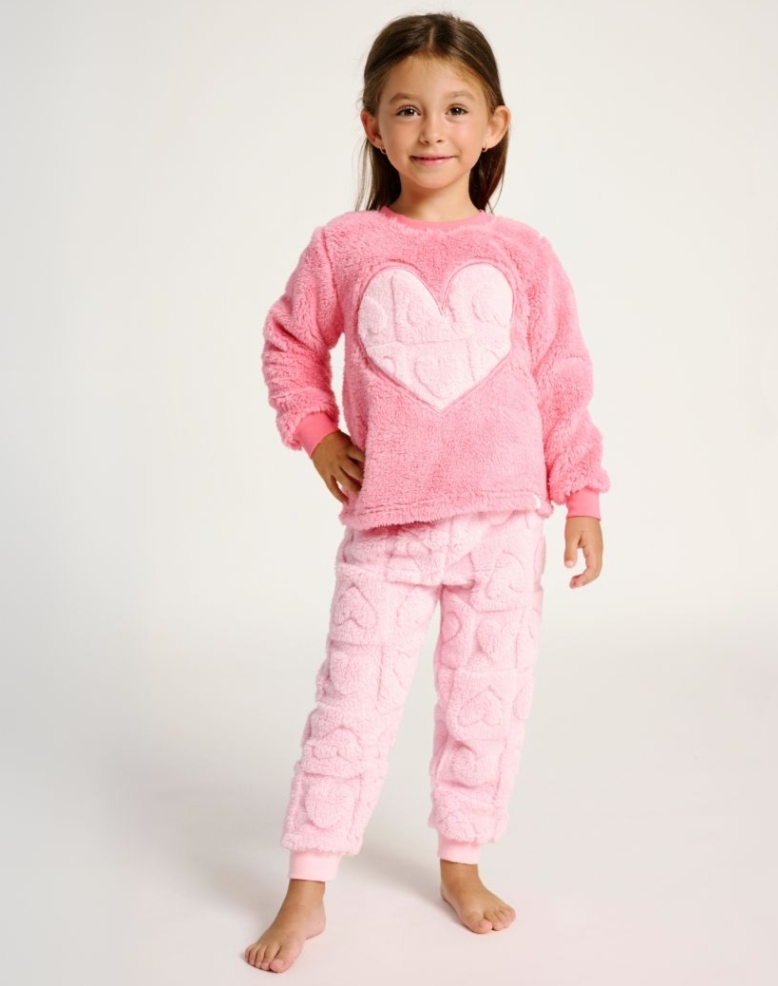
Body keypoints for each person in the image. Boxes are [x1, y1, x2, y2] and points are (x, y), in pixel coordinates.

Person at [245, 10, 610, 974]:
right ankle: (307, 887)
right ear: (372, 126)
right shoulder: (346, 245)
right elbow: (289, 343)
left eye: (455, 109)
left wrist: (581, 493)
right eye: (407, 110)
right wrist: (318, 434)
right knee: (351, 705)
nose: (432, 130)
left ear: (494, 124)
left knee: (486, 702)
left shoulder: (524, 254)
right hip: (389, 529)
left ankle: (462, 863)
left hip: (504, 526)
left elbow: (562, 378)